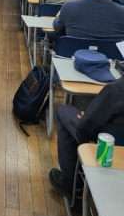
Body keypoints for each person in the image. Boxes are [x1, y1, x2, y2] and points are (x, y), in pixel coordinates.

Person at [49, 75, 124, 203]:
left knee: (63, 112)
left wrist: (86, 117)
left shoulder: (118, 88)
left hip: (107, 149)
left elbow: (85, 129)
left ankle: (72, 186)